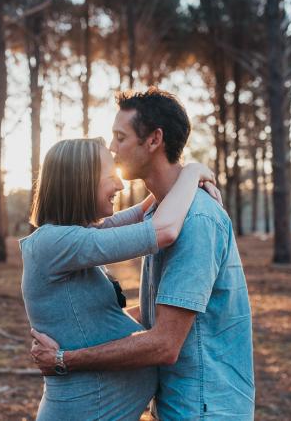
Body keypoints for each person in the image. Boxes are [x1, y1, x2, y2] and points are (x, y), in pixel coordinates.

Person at [31, 88, 255, 420]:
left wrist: (66, 358)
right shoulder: (161, 214)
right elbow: (159, 309)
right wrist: (186, 176)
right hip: (180, 403)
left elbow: (165, 343)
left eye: (120, 137)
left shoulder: (194, 220)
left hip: (204, 407)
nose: (111, 147)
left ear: (153, 141)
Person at [21, 136, 219, 420]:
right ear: (81, 181)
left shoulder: (71, 236)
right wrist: (191, 173)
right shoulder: (55, 242)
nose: (120, 184)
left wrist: (175, 174)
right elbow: (163, 231)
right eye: (111, 176)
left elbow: (139, 213)